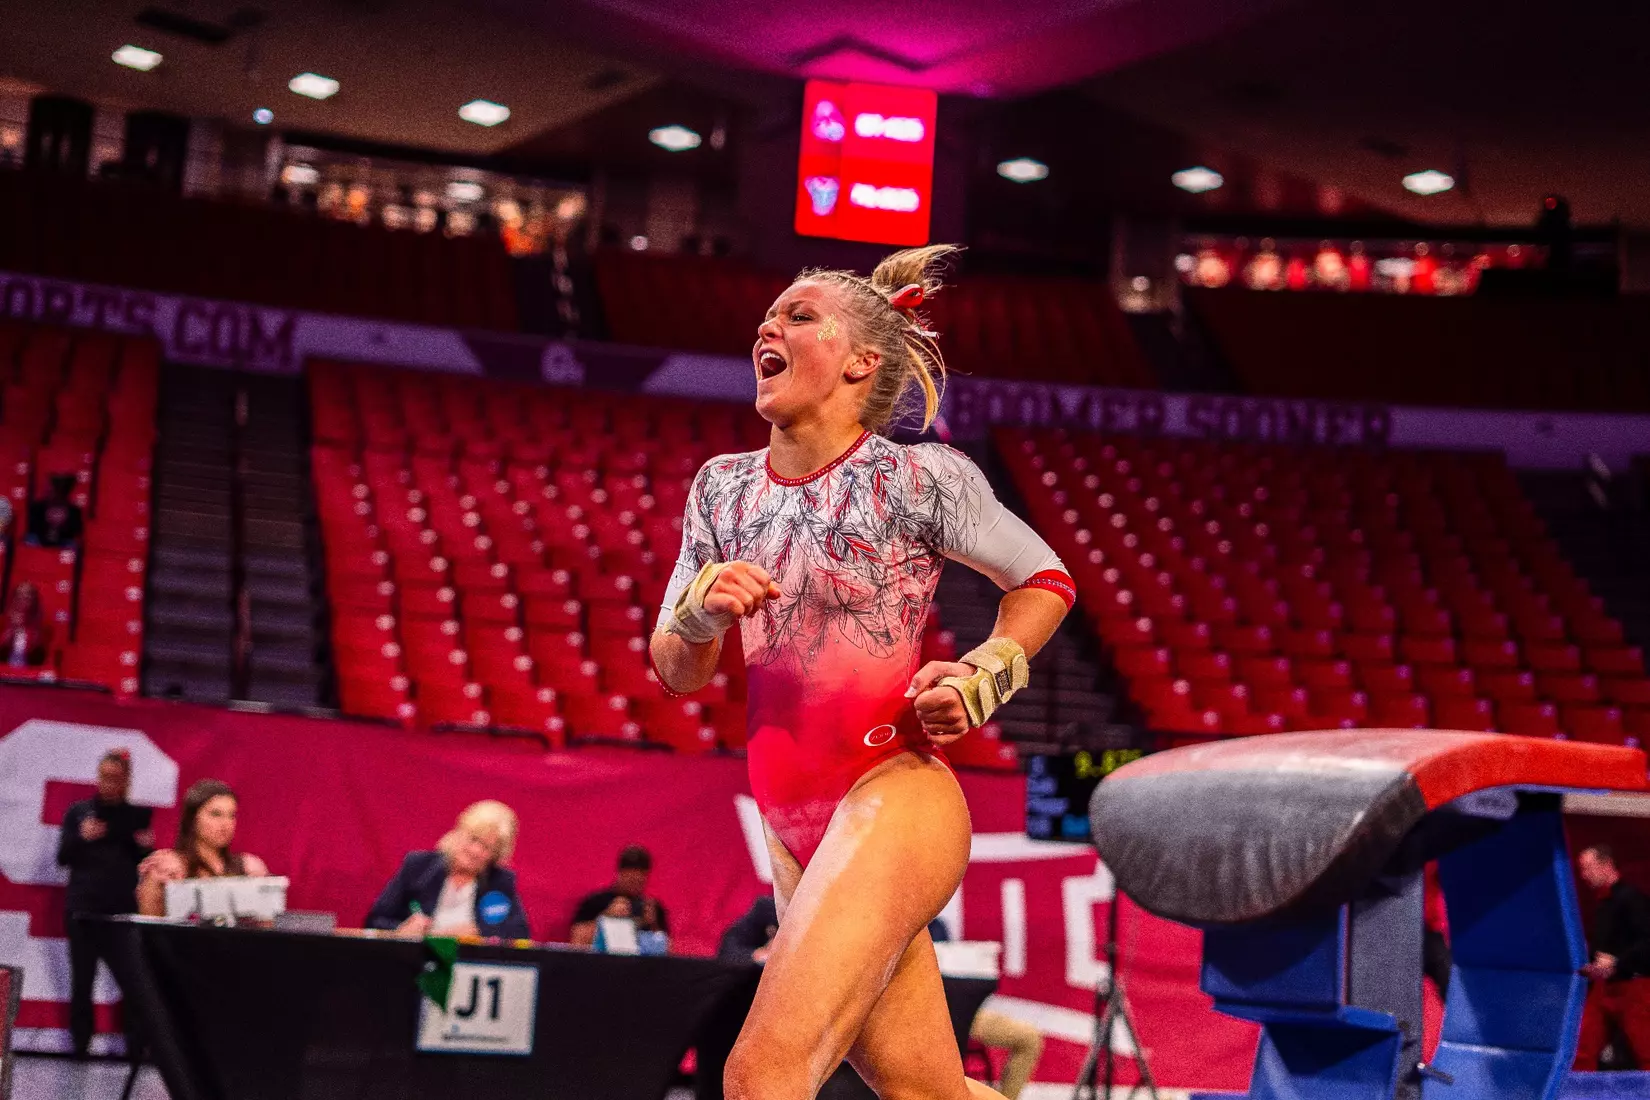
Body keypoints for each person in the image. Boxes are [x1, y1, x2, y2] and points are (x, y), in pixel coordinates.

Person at [649, 245, 1074, 1100]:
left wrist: (981, 674)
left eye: (799, 315)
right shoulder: (721, 489)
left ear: (860, 361)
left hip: (891, 789)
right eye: (769, 315)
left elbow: (1046, 579)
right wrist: (698, 608)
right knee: (929, 1092)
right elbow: (676, 670)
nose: (768, 325)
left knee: (760, 1072)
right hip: (792, 824)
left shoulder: (916, 477)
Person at [56, 749, 153, 1058]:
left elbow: (144, 864)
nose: (110, 784)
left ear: (127, 780)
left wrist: (145, 848)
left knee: (133, 981)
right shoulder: (79, 813)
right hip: (83, 909)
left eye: (116, 778)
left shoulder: (136, 817)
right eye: (105, 777)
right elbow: (62, 857)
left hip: (122, 912)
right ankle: (80, 1047)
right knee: (82, 980)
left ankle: (135, 1049)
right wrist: (82, 837)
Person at [364, 800, 530, 940]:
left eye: (486, 847)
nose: (475, 851)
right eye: (473, 839)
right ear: (458, 833)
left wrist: (479, 932)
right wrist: (402, 930)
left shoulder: (499, 882)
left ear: (495, 856)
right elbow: (375, 920)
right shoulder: (418, 867)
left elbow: (520, 933)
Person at [929, 920, 1045, 1100]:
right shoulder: (892, 926)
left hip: (963, 1014)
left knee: (1028, 1038)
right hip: (920, 1019)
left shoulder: (937, 926)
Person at [136, 779, 269, 916]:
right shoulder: (166, 866)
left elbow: (265, 930)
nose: (226, 824)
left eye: (232, 815)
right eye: (216, 814)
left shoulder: (249, 867)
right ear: (192, 819)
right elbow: (148, 928)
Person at [1574, 844, 1650, 1069]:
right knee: (1582, 1050)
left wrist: (1618, 963)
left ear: (1606, 865)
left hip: (1633, 988)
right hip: (1605, 986)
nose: (1584, 875)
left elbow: (1648, 941)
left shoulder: (1631, 898)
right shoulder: (1604, 903)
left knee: (1646, 1051)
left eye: (1588, 868)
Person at [569, 844, 669, 946]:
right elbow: (577, 941)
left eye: (640, 883)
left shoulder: (652, 908)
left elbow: (667, 952)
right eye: (631, 881)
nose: (635, 887)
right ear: (619, 874)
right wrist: (607, 917)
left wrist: (653, 926)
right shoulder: (595, 902)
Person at [27, 473, 84, 548]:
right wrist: (47, 530)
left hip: (63, 540)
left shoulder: (74, 510)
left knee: (72, 544)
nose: (50, 491)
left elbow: (76, 530)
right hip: (41, 538)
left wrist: (60, 529)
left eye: (55, 489)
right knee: (30, 539)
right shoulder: (38, 507)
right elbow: (32, 527)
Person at [0, 581, 48, 668]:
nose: (23, 600)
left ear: (34, 600)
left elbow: (38, 655)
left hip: (28, 674)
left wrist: (27, 627)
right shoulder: (3, 621)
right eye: (19, 596)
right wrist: (12, 629)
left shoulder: (41, 626)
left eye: (27, 596)